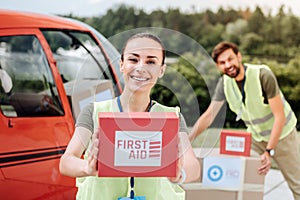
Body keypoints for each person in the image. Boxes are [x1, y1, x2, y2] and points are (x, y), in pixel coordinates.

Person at [60, 33, 200, 200]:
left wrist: (180, 174)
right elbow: (66, 161)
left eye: (151, 61)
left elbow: (193, 166)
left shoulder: (172, 117)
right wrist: (87, 167)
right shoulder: (93, 112)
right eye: (133, 60)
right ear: (121, 65)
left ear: (161, 70)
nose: (141, 67)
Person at [189, 41, 300, 199]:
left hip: (283, 136)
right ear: (218, 66)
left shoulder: (263, 75)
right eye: (222, 63)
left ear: (239, 56)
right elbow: (209, 115)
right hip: (256, 138)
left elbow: (279, 117)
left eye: (230, 59)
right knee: (241, 173)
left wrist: (269, 151)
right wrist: (189, 138)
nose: (228, 65)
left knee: (297, 184)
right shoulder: (225, 84)